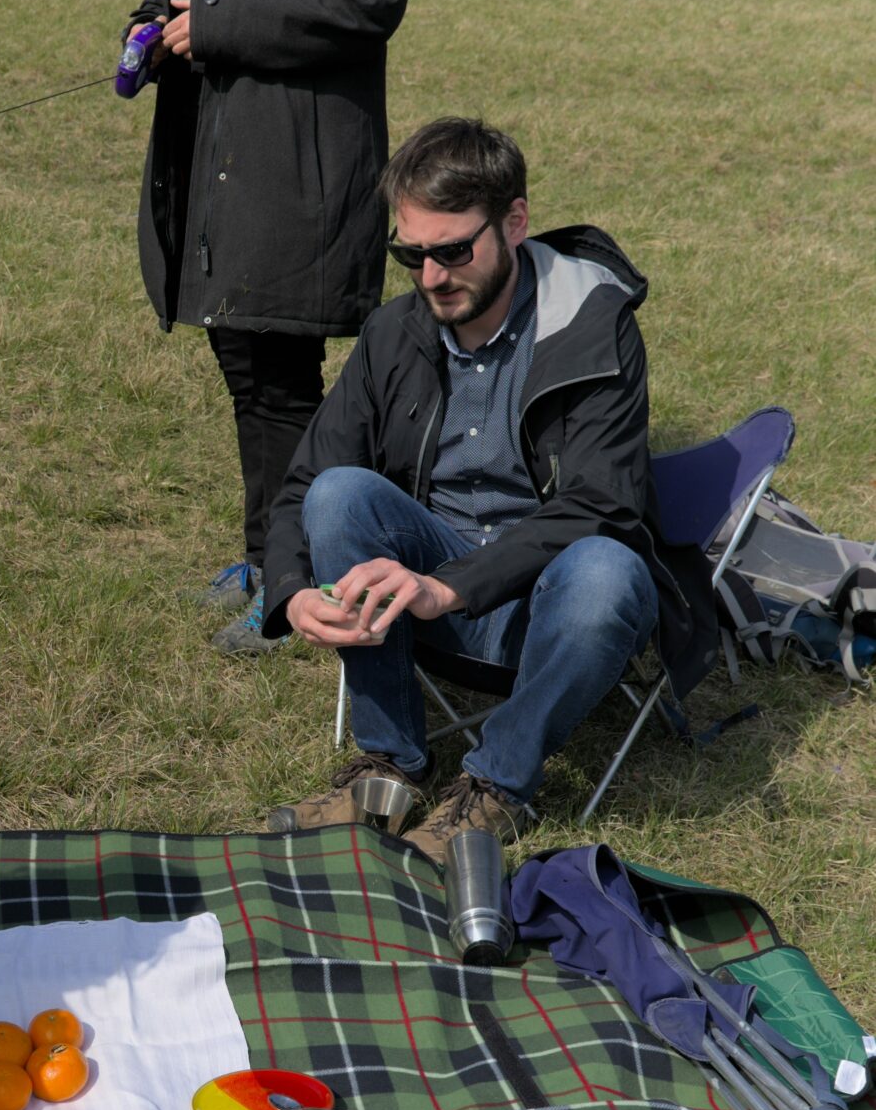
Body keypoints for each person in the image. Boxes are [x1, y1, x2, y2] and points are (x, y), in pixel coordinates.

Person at [259, 118, 718, 860]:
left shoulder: (592, 326)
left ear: (514, 221)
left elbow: (603, 503)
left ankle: (495, 786)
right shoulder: (393, 332)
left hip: (555, 606)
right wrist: (289, 593)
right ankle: (387, 765)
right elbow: (308, 477)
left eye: (452, 251)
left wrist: (450, 587)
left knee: (607, 569)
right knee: (339, 495)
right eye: (411, 254)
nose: (431, 277)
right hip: (427, 594)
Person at [127, 0, 411, 655]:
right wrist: (151, 29)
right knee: (244, 368)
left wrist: (222, 24)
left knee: (281, 383)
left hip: (297, 170)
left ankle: (292, 587)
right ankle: (263, 559)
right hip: (214, 163)